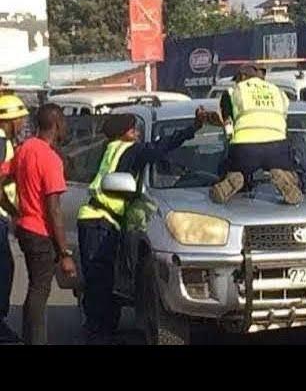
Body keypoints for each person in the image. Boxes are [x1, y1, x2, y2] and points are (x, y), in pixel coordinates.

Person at [76, 106, 208, 344]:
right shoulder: (128, 150)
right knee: (99, 280)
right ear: (124, 133)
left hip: (99, 219)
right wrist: (192, 129)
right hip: (99, 220)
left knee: (101, 279)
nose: (136, 133)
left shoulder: (111, 149)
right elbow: (159, 149)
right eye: (133, 130)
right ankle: (96, 334)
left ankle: (102, 329)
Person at [0, 104, 77, 345]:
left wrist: (13, 210)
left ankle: (29, 337)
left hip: (23, 227)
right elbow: (54, 210)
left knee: (35, 288)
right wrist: (64, 252)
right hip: (39, 231)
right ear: (56, 124)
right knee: (39, 290)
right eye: (63, 122)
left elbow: (2, 176)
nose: (65, 128)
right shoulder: (50, 158)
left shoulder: (24, 149)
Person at [210, 63, 303, 205]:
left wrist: (230, 143)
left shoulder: (233, 92)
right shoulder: (278, 92)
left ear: (242, 76)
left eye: (237, 79)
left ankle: (235, 178)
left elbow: (228, 125)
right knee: (301, 172)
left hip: (245, 150)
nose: (236, 82)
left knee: (229, 166)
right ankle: (290, 179)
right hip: (277, 149)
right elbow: (282, 121)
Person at [0, 91, 29, 343]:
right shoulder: (1, 142)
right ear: (9, 120)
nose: (22, 123)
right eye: (20, 119)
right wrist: (14, 211)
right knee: (3, 269)